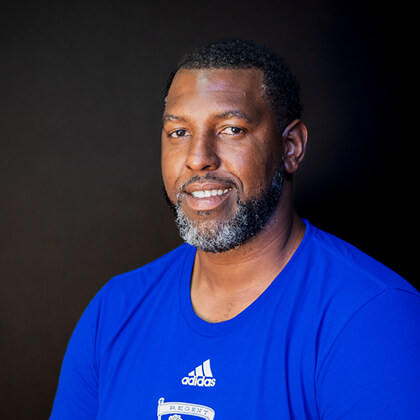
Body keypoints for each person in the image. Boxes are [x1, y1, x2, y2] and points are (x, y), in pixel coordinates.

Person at [49, 39, 420, 419]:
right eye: (179, 133)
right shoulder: (113, 312)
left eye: (230, 129)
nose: (198, 158)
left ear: (291, 147)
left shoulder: (372, 318)